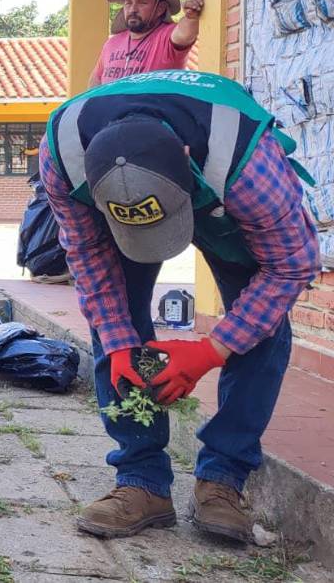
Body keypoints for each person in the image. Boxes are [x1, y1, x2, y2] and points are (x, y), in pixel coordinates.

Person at [39, 71, 319, 542]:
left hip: (224, 207)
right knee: (113, 323)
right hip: (126, 203)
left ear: (187, 161)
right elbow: (88, 260)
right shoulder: (63, 154)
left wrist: (212, 350)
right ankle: (141, 482)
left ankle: (222, 481)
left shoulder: (246, 162)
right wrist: (122, 343)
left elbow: (292, 265)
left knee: (262, 325)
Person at [90, 0, 205, 87]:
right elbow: (96, 78)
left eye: (142, 2)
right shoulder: (112, 43)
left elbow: (185, 34)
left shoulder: (166, 37)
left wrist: (191, 15)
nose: (133, 9)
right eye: (128, 3)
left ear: (160, 8)